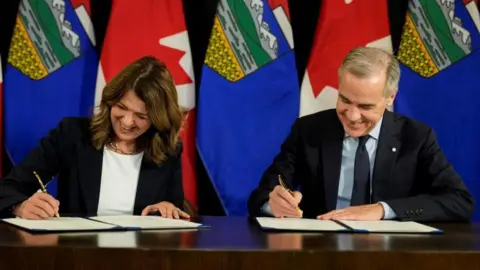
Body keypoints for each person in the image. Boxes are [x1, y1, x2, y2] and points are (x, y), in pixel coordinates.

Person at [248, 47, 474, 222]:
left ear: (390, 97)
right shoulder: (309, 130)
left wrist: (382, 210)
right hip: (319, 252)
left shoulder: (416, 137)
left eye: (366, 106)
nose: (353, 116)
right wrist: (273, 203)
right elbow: (262, 195)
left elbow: (459, 201)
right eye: (345, 100)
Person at [0, 56, 190, 220]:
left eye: (141, 116)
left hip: (141, 258)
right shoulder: (72, 134)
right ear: (110, 101)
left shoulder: (168, 149)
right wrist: (21, 206)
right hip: (78, 255)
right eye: (121, 108)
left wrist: (165, 210)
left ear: (157, 119)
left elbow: (175, 209)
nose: (127, 121)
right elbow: (9, 188)